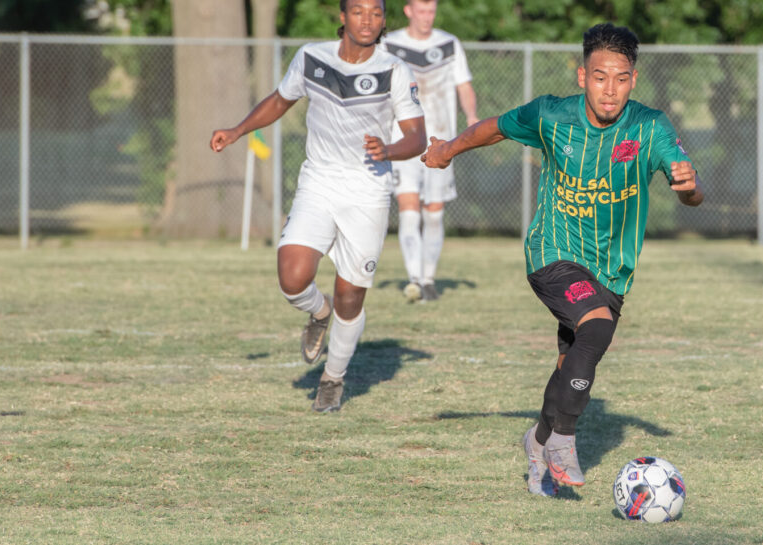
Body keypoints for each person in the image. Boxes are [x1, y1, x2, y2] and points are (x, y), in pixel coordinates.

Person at [422, 23, 704, 496]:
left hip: (611, 268)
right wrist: (448, 150)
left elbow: (692, 195)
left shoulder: (650, 126)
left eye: (620, 77)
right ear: (581, 76)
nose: (609, 89)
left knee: (571, 364)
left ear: (633, 79)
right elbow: (495, 128)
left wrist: (689, 186)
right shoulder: (552, 115)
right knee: (596, 328)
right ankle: (564, 441)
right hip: (552, 251)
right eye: (599, 77)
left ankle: (538, 443)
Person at [210, 0, 425, 412]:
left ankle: (333, 379)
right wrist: (237, 130)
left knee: (351, 297)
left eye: (376, 13)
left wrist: (390, 149)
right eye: (359, 11)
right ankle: (318, 311)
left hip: (368, 192)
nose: (368, 20)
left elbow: (418, 137)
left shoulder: (395, 69)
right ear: (342, 17)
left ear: (384, 20)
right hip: (319, 182)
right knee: (292, 278)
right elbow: (279, 100)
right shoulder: (311, 57)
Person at [382, 0, 479, 302]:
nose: (427, 17)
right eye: (421, 11)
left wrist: (472, 117)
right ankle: (414, 280)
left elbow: (464, 85)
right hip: (403, 138)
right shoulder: (389, 44)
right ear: (409, 11)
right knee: (409, 212)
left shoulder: (449, 44)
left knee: (434, 214)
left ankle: (428, 279)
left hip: (440, 141)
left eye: (431, 11)